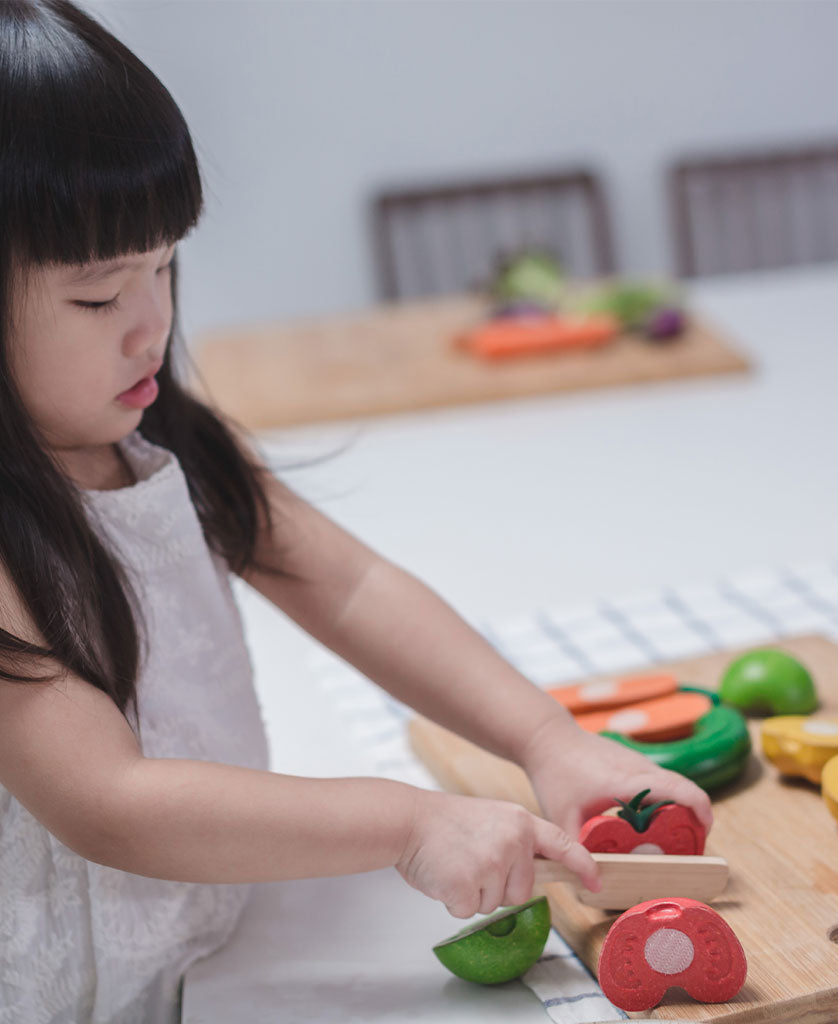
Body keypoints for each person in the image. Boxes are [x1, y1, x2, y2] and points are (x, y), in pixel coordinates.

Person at [0, 2, 713, 1021]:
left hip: (216, 946)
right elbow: (108, 804)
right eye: (96, 297)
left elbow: (353, 583)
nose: (151, 323)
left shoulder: (169, 446)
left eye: (164, 265)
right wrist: (406, 821)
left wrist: (546, 740)